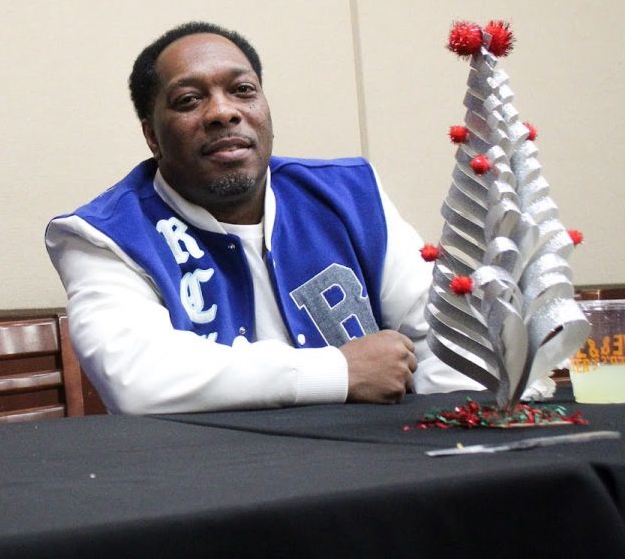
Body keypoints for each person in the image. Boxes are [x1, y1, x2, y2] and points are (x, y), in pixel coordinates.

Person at [45, 22, 476, 415]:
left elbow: (443, 342)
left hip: (376, 471)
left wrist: (445, 438)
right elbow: (138, 379)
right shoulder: (101, 236)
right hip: (219, 484)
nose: (223, 112)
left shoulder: (352, 195)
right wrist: (339, 371)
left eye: (243, 90)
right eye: (190, 100)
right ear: (152, 137)